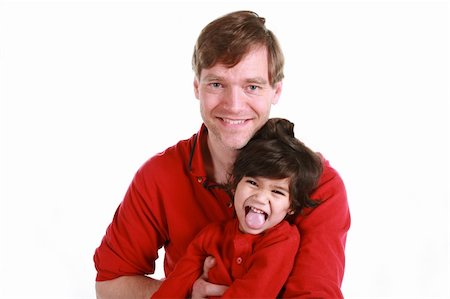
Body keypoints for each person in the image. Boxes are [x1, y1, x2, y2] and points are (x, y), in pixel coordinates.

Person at [94, 10, 350, 299]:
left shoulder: (320, 183)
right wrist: (188, 294)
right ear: (196, 87)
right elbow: (110, 284)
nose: (234, 105)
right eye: (217, 84)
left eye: (252, 86)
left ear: (275, 91)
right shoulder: (160, 175)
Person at [151, 118, 323, 298]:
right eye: (252, 182)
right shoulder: (212, 235)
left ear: (292, 207)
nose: (261, 197)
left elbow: (254, 292)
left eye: (277, 192)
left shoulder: (282, 241)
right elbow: (179, 280)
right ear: (234, 186)